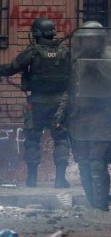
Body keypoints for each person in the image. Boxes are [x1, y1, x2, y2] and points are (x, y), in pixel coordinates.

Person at [0, 18, 70, 188]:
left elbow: (12, 68)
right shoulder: (65, 52)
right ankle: (60, 180)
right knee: (61, 139)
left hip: (37, 101)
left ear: (36, 33)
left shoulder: (33, 52)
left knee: (32, 139)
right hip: (59, 103)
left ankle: (31, 179)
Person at [54, 21, 110, 209]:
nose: (89, 43)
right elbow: (70, 91)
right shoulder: (77, 61)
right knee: (84, 162)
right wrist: (61, 113)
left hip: (103, 119)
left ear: (100, 41)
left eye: (93, 40)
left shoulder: (109, 60)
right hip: (80, 120)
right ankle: (93, 203)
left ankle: (101, 205)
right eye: (86, 40)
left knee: (96, 162)